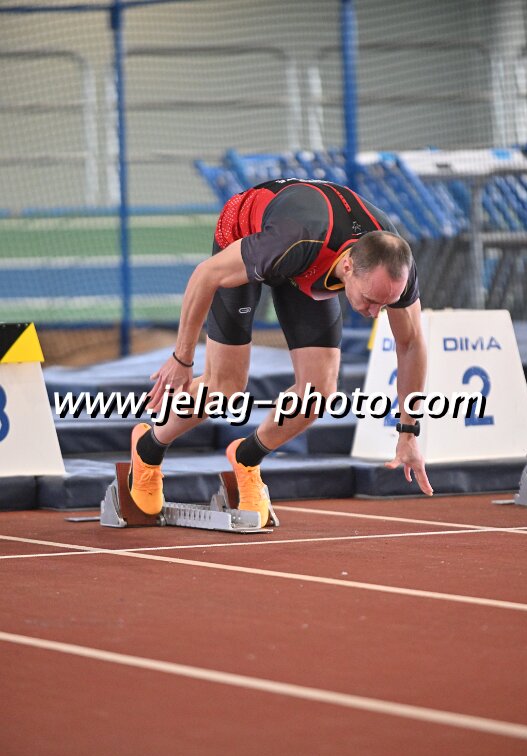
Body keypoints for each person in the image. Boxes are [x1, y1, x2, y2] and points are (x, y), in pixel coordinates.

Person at [128, 177, 433, 526]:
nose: (375, 313)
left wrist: (408, 432)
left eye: (385, 303)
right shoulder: (294, 239)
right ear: (348, 267)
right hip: (250, 233)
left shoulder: (394, 264)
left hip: (309, 260)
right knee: (224, 387)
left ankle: (246, 459)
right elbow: (205, 276)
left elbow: (410, 344)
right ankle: (148, 448)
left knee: (318, 394)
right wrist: (182, 358)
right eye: (369, 300)